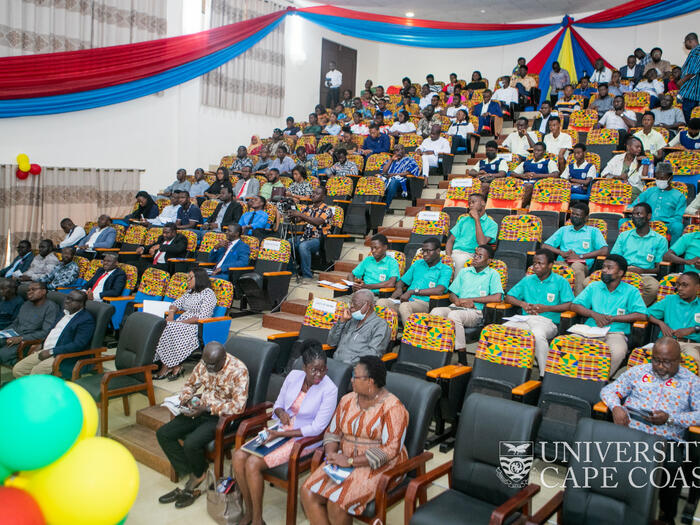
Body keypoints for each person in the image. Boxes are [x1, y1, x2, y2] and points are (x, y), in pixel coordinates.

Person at [234, 341, 337, 525]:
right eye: (314, 370)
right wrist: (280, 413)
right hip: (281, 429)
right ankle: (249, 512)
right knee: (238, 456)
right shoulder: (293, 376)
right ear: (304, 367)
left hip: (304, 439)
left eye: (323, 370)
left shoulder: (329, 389)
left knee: (252, 464)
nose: (319, 375)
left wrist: (280, 435)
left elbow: (318, 428)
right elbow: (278, 405)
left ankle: (257, 520)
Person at [600, 337, 700, 524]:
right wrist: (616, 407)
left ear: (680, 360)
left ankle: (666, 514)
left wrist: (670, 418)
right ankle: (612, 503)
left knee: (672, 466)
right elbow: (609, 391)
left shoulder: (691, 382)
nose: (660, 366)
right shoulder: (638, 372)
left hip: (666, 439)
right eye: (656, 360)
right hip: (631, 431)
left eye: (667, 362)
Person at [301, 356, 409, 522]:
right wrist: (331, 455)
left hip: (379, 467)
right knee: (308, 492)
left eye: (355, 376)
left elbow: (390, 450)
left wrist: (350, 461)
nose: (351, 380)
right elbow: (332, 432)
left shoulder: (393, 407)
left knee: (336, 503)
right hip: (342, 461)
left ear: (370, 381)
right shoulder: (347, 400)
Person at [157, 341, 249, 509]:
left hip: (221, 417)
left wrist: (207, 407)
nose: (208, 368)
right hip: (199, 409)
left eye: (213, 365)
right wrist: (186, 399)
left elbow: (238, 406)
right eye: (206, 363)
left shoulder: (238, 370)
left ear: (223, 358)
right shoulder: (205, 363)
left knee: (191, 443)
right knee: (163, 433)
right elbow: (190, 385)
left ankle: (198, 474)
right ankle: (195, 470)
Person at [571, 255, 647, 374]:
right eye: (603, 267)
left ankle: (600, 380)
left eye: (609, 268)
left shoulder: (631, 291)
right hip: (590, 329)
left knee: (618, 351)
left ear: (620, 273)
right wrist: (594, 314)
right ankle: (574, 378)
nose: (604, 270)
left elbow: (642, 315)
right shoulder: (594, 286)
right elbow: (575, 305)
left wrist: (614, 318)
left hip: (615, 333)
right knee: (569, 344)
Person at [504, 249, 575, 372]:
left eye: (540, 263)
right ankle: (510, 369)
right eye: (534, 263)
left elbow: (569, 305)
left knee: (537, 335)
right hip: (525, 319)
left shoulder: (560, 281)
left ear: (550, 265)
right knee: (503, 330)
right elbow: (508, 297)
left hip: (548, 322)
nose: (536, 266)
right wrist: (523, 304)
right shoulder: (527, 280)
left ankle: (545, 373)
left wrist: (546, 308)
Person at [431, 244, 503, 363]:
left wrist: (472, 300)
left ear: (489, 260)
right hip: (457, 307)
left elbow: (497, 297)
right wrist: (457, 301)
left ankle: (462, 358)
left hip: (475, 312)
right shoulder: (464, 272)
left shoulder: (493, 274)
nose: (475, 257)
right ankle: (436, 352)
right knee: (435, 312)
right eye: (475, 255)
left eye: (480, 256)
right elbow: (452, 294)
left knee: (454, 316)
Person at [12, 290, 95, 378]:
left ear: (81, 304)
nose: (67, 301)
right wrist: (42, 344)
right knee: (18, 370)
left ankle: (39, 391)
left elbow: (78, 345)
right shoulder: (63, 313)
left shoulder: (86, 320)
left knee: (37, 372)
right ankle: (30, 390)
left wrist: (52, 351)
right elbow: (52, 332)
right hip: (46, 349)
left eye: (72, 300)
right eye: (67, 298)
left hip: (64, 356)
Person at [153, 269, 217, 380]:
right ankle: (174, 365)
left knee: (169, 327)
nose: (187, 280)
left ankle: (166, 367)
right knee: (163, 326)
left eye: (190, 278)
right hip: (182, 323)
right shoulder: (189, 292)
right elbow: (175, 304)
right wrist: (171, 314)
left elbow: (203, 317)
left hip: (197, 326)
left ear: (199, 278)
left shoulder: (208, 293)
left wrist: (179, 322)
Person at [376, 237, 451, 324]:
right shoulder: (418, 263)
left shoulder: (445, 269)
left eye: (428, 251)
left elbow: (439, 290)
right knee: (381, 302)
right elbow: (402, 281)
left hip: (425, 303)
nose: (425, 254)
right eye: (423, 251)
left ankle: (410, 335)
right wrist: (399, 289)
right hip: (406, 300)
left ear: (438, 251)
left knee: (405, 307)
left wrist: (412, 292)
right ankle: (385, 334)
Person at [543, 202, 608, 294]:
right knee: (542, 266)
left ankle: (578, 302)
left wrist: (579, 256)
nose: (574, 216)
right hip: (562, 261)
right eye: (573, 214)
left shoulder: (593, 231)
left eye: (578, 215)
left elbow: (604, 250)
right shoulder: (563, 230)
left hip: (582, 264)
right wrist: (561, 252)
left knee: (576, 266)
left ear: (586, 218)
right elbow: (545, 246)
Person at [610, 202, 668, 305]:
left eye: (639, 214)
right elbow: (614, 258)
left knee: (654, 288)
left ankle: (633, 309)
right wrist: (623, 269)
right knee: (588, 281)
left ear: (648, 216)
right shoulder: (624, 235)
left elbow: (659, 268)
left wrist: (641, 270)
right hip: (622, 272)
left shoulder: (660, 240)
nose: (635, 217)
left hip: (644, 274)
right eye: (633, 214)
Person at [0, 281, 58, 367]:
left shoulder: (51, 307)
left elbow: (45, 332)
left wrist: (21, 338)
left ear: (43, 291)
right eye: (28, 290)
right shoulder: (26, 304)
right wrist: (3, 333)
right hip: (14, 335)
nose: (29, 292)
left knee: (3, 354)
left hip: (29, 340)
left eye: (33, 289)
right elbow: (15, 323)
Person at [648, 272, 700, 366]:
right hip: (667, 342)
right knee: (648, 357)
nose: (679, 288)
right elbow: (646, 314)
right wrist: (661, 323)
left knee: (691, 359)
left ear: (697, 288)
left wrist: (693, 329)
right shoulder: (669, 300)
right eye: (678, 284)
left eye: (685, 285)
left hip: (691, 345)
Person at [627, 163, 685, 243]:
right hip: (646, 221)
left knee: (678, 227)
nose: (659, 181)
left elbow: (678, 217)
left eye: (662, 178)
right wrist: (631, 209)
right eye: (657, 178)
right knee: (623, 222)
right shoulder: (649, 191)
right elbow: (634, 205)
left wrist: (661, 223)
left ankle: (672, 252)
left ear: (670, 178)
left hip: (667, 224)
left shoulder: (679, 196)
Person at [330, 290, 391, 363]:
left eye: (355, 303)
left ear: (367, 304)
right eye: (351, 303)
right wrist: (342, 322)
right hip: (335, 363)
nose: (351, 306)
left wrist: (348, 363)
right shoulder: (350, 319)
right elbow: (331, 342)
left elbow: (373, 354)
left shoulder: (380, 325)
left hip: (356, 369)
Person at [445, 193, 498, 275]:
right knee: (422, 253)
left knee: (460, 260)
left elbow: (482, 243)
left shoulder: (492, 224)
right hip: (454, 252)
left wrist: (477, 219)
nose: (471, 205)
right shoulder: (463, 219)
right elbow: (451, 240)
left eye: (473, 202)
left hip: (471, 254)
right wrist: (448, 257)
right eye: (469, 203)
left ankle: (455, 287)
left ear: (483, 203)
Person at [288, 187, 333, 280]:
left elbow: (317, 222)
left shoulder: (327, 209)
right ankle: (292, 271)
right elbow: (297, 220)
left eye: (317, 193)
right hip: (305, 236)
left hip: (319, 239)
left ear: (323, 197)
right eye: (313, 192)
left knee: (303, 246)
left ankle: (307, 275)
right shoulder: (308, 208)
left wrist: (300, 214)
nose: (313, 194)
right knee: (286, 244)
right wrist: (292, 214)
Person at [511, 142, 559, 207]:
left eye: (539, 150)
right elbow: (512, 173)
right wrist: (523, 175)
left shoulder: (549, 162)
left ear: (544, 152)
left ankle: (518, 207)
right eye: (535, 150)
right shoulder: (526, 163)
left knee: (529, 186)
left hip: (539, 185)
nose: (536, 152)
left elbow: (556, 174)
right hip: (524, 182)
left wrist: (537, 175)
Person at [678, 33, 700, 123]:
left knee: (689, 115)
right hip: (694, 90)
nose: (685, 45)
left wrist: (681, 81)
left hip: (692, 90)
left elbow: (693, 71)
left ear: (689, 41)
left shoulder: (696, 51)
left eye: (685, 42)